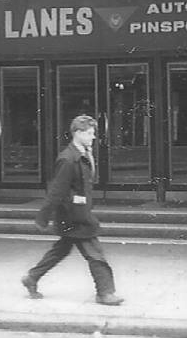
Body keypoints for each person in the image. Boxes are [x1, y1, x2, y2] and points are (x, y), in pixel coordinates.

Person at [21, 114, 124, 306]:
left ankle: (32, 277)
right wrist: (43, 217)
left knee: (60, 250)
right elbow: (57, 190)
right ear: (78, 133)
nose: (93, 137)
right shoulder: (68, 159)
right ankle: (105, 293)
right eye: (90, 133)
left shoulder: (82, 154)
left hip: (77, 212)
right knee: (95, 254)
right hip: (74, 216)